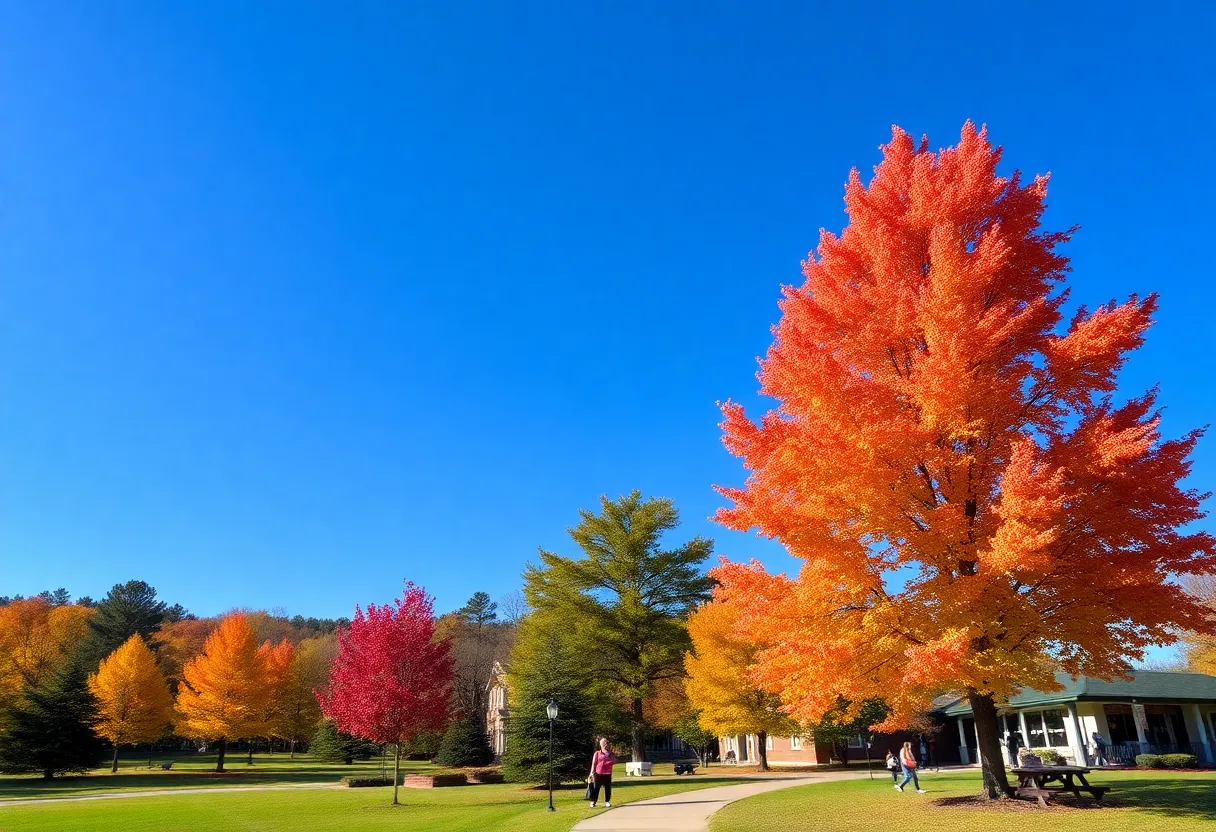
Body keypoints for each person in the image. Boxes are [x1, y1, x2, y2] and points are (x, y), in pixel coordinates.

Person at [588, 737, 615, 808]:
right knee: (596, 788)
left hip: (608, 773)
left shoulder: (611, 753)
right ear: (601, 744)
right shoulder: (597, 753)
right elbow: (594, 763)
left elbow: (614, 761)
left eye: (607, 742)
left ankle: (607, 802)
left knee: (608, 788)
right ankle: (593, 801)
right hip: (598, 773)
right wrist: (591, 773)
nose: (606, 744)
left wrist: (610, 757)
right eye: (604, 743)